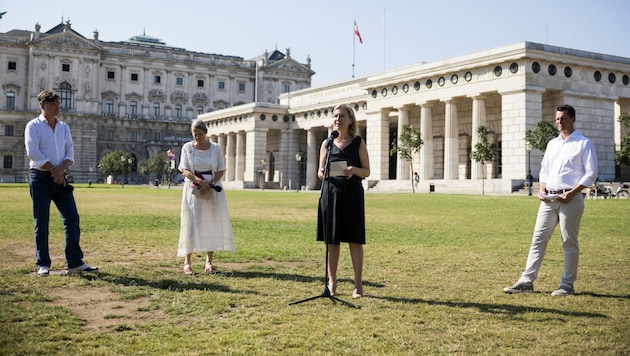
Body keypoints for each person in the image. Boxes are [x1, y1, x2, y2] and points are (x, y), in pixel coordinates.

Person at [504, 104, 597, 296]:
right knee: (538, 239)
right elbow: (544, 170)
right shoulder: (552, 144)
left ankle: (567, 285)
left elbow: (591, 173)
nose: (559, 122)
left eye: (563, 118)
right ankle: (526, 281)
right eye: (557, 119)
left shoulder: (584, 143)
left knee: (568, 241)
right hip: (548, 199)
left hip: (570, 199)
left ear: (572, 119)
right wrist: (543, 188)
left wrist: (573, 192)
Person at [24, 91, 99, 276]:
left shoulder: (64, 127)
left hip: (60, 178)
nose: (58, 107)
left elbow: (69, 151)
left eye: (59, 104)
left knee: (72, 219)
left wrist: (61, 169)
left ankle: (74, 262)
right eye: (54, 105)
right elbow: (33, 152)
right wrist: (54, 170)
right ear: (43, 106)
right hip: (40, 178)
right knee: (41, 222)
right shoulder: (32, 126)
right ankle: (43, 263)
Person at [317, 104, 370, 298]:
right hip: (331, 195)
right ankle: (332, 283)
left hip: (352, 194)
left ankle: (358, 284)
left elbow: (367, 171)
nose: (337, 119)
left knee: (354, 240)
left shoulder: (358, 143)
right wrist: (323, 173)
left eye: (341, 116)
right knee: (332, 241)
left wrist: (353, 170)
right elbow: (320, 172)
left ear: (350, 120)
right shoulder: (327, 144)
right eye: (335, 116)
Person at [177, 119, 235, 275]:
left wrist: (209, 185)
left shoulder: (215, 148)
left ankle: (209, 262)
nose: (197, 137)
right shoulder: (187, 148)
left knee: (211, 223)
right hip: (193, 189)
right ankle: (187, 263)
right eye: (194, 134)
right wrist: (199, 182)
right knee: (191, 223)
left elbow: (221, 169)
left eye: (200, 134)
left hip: (212, 189)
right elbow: (184, 169)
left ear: (205, 133)